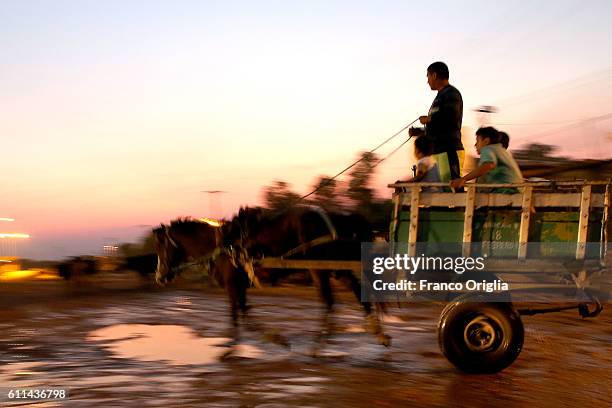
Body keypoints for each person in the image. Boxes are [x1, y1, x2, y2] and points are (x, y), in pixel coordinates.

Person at [409, 61, 464, 182]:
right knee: (442, 192)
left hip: (449, 150)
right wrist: (419, 132)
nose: (427, 81)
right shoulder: (440, 96)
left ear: (434, 75)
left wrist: (428, 119)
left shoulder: (451, 93)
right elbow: (440, 126)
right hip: (438, 151)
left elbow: (450, 116)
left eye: (428, 76)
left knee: (452, 190)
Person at [450, 127, 522, 193]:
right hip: (517, 190)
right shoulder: (502, 151)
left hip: (505, 191)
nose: (475, 145)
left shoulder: (487, 149)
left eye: (477, 141)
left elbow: (488, 165)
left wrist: (462, 180)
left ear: (486, 141)